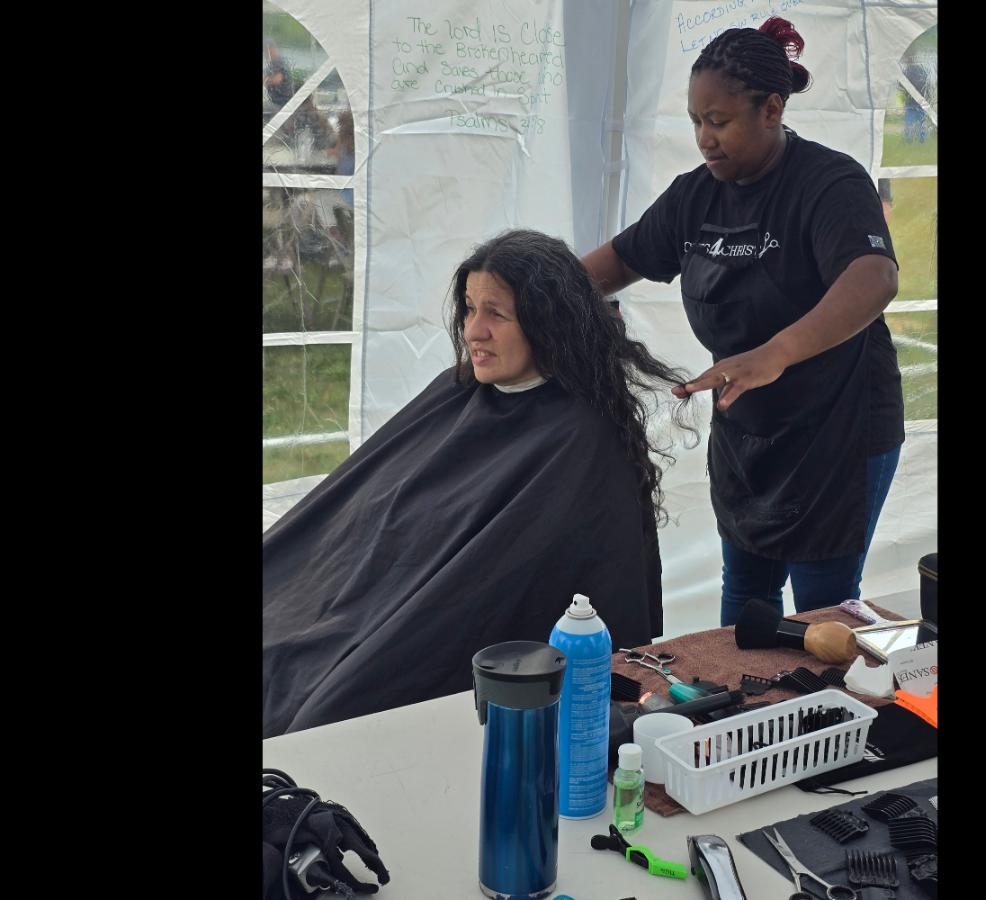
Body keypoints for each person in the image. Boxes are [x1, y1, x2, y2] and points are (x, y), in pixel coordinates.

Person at [263, 229, 692, 738]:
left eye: (497, 314)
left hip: (436, 631)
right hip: (357, 600)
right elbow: (357, 512)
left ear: (548, 324)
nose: (473, 331)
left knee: (323, 715)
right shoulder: (456, 390)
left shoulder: (580, 439)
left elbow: (487, 583)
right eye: (469, 309)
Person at [581, 17, 904, 625]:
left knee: (821, 616)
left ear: (772, 109)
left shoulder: (828, 182)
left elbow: (874, 276)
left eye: (720, 122)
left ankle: (822, 718)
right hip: (748, 433)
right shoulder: (693, 197)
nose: (705, 138)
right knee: (745, 609)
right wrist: (529, 291)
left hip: (837, 429)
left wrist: (775, 352)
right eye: (697, 121)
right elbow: (619, 260)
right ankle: (742, 718)